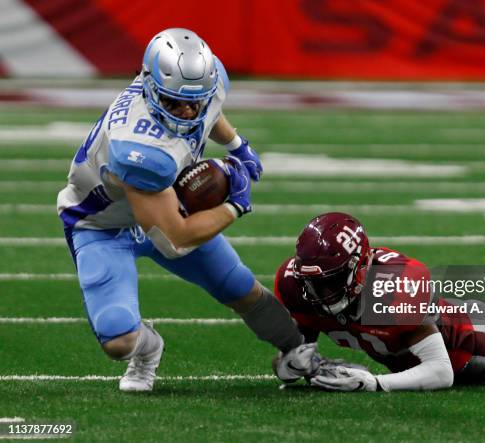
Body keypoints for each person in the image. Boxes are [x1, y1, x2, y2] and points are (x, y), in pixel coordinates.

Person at [57, 28, 305, 392]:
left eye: (195, 101)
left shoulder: (205, 83)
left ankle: (300, 353)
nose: (188, 111)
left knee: (241, 288)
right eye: (175, 103)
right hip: (102, 226)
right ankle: (148, 349)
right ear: (149, 86)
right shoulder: (139, 150)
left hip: (160, 201)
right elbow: (175, 239)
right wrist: (236, 205)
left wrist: (237, 145)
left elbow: (210, 112)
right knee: (117, 338)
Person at [273, 212, 485, 391]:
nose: (320, 293)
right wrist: (291, 365)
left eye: (331, 281)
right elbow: (296, 351)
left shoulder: (392, 288)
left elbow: (441, 371)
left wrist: (375, 384)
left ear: (360, 269)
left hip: (474, 348)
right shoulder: (298, 287)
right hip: (461, 324)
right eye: (313, 282)